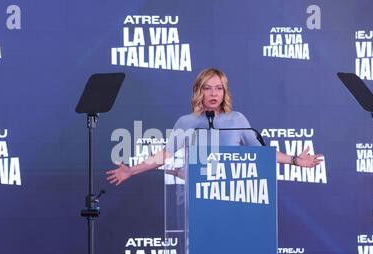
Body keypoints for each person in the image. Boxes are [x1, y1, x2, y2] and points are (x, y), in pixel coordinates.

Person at [107, 68, 324, 186]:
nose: (213, 94)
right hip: (200, 197)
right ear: (198, 91)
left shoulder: (237, 119)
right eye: (208, 88)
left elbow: (262, 153)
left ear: (224, 92)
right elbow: (164, 155)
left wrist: (295, 161)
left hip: (234, 194)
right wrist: (131, 170)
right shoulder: (186, 122)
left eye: (219, 88)